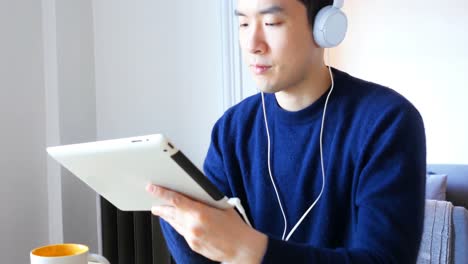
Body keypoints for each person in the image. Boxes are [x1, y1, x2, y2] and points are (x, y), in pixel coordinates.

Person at [146, 0, 426, 263]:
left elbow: (383, 259)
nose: (252, 44)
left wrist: (249, 248)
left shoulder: (387, 122)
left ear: (324, 27)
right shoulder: (232, 129)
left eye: (271, 23)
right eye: (243, 24)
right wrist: (180, 220)